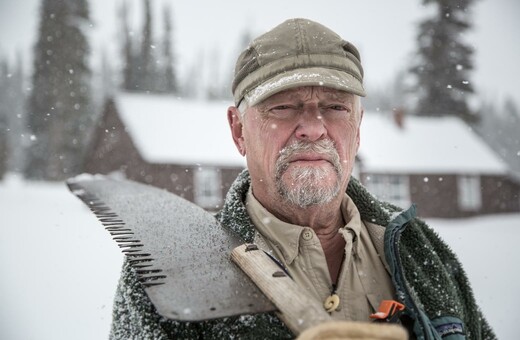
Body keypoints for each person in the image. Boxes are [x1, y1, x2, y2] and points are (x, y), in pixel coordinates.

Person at [109, 18, 496, 339]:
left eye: (335, 107)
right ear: (238, 130)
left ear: (358, 127)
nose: (313, 127)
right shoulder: (170, 271)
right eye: (282, 106)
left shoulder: (418, 248)